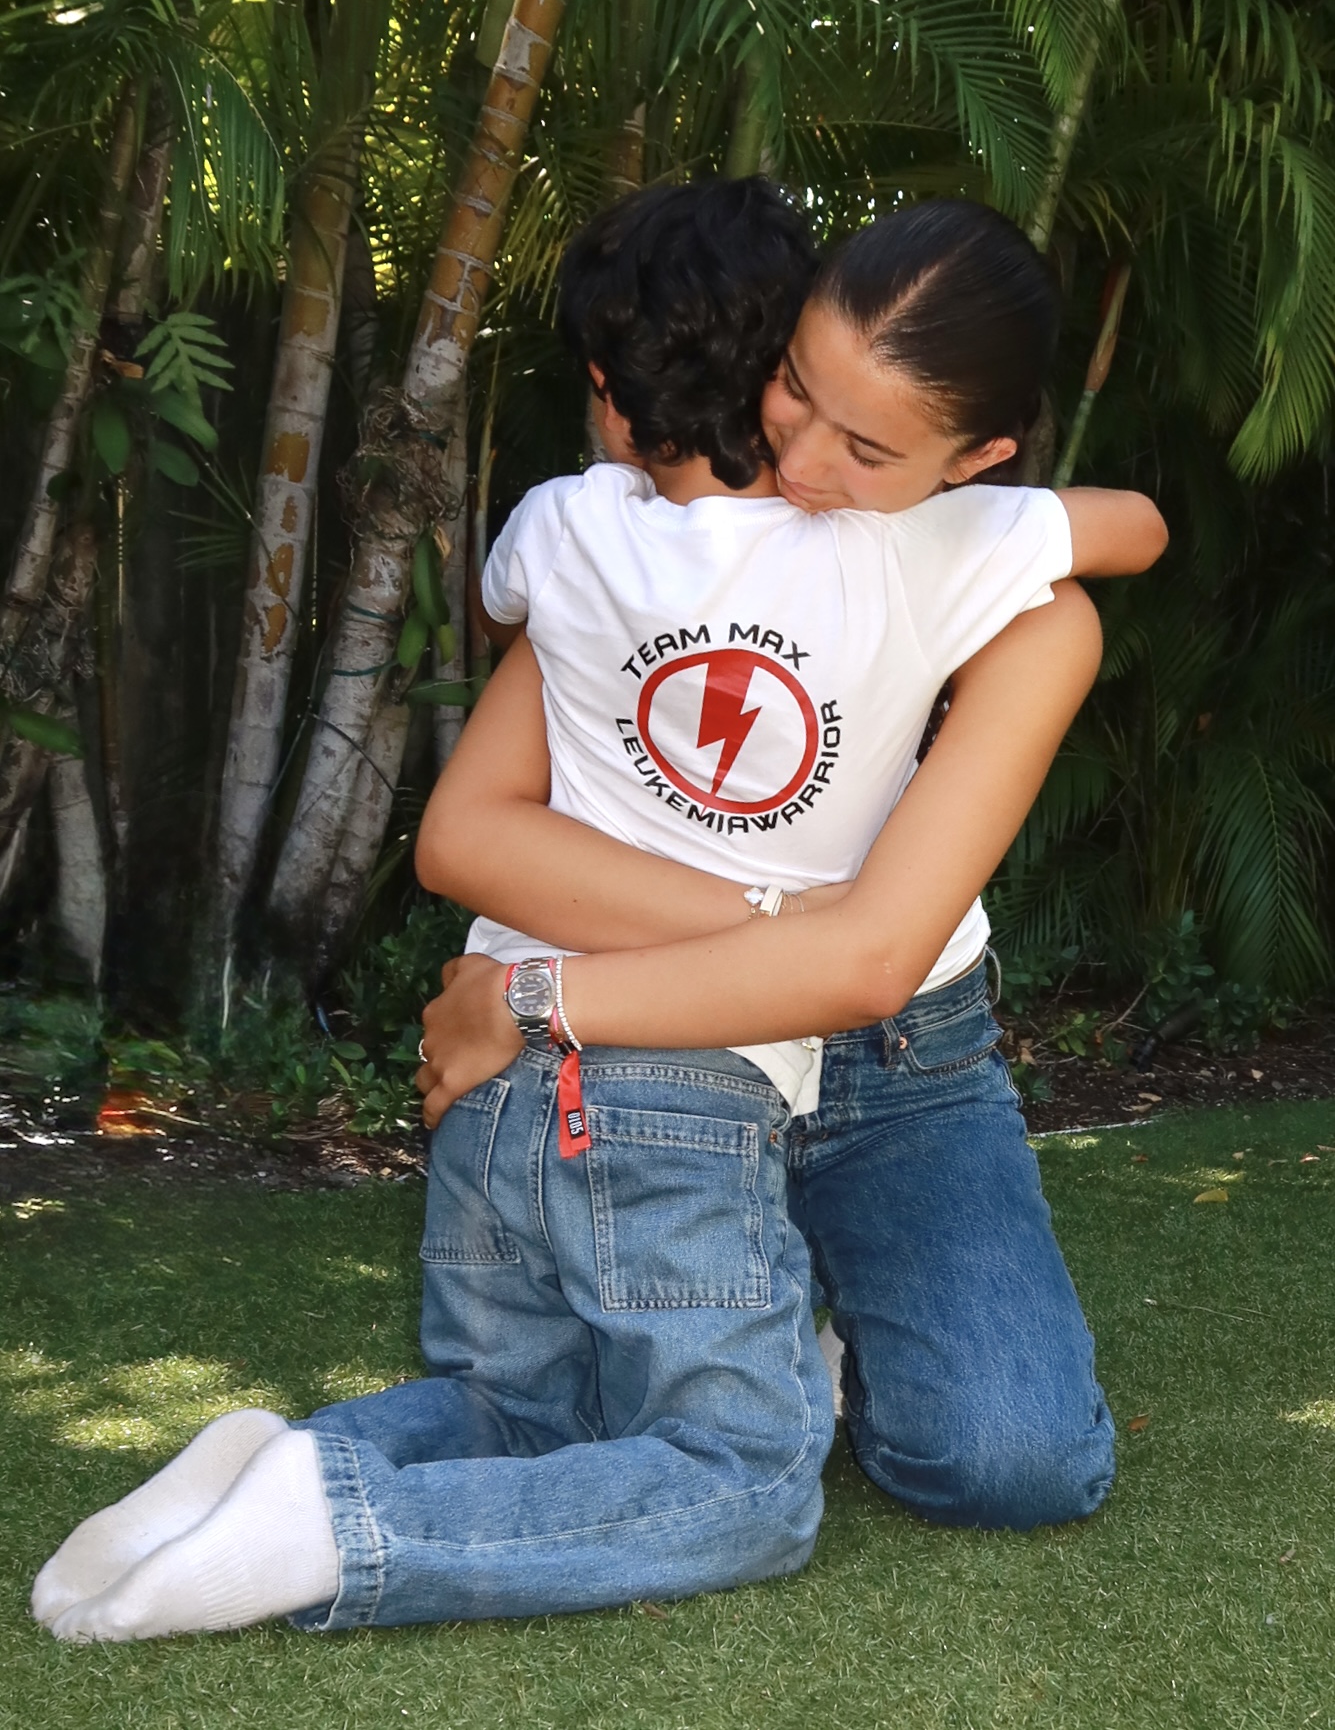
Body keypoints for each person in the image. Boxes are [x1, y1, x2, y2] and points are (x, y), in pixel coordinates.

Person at [33, 184, 1164, 1642]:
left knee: (1013, 1461)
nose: (806, 460)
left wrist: (528, 995)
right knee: (664, 1436)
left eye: (869, 445)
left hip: (881, 1064)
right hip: (677, 1054)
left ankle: (787, 1333)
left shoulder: (987, 583)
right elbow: (470, 832)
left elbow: (872, 960)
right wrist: (751, 926)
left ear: (982, 461)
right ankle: (379, 1482)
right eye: (793, 391)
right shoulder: (662, 542)